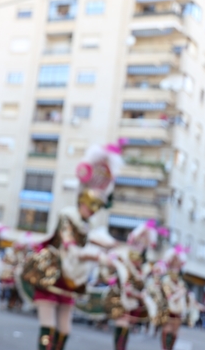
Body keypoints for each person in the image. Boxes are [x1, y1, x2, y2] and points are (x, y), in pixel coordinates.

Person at [22, 143, 123, 350]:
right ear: (82, 199)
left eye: (98, 206)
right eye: (91, 204)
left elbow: (94, 240)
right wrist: (96, 257)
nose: (94, 210)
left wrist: (115, 248)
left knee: (65, 330)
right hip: (53, 271)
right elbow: (71, 247)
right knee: (48, 327)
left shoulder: (88, 224)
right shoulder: (68, 215)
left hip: (72, 277)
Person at [104, 221, 159, 350]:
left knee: (126, 327)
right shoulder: (123, 261)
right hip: (121, 298)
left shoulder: (144, 268)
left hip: (133, 300)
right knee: (122, 324)